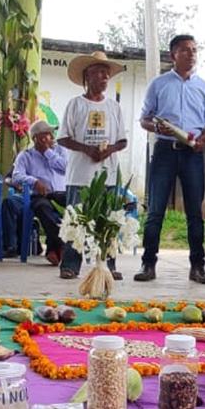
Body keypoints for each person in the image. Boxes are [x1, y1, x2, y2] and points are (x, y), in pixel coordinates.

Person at [136, 34, 205, 284]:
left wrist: (202, 140)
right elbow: (144, 119)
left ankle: (198, 267)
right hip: (164, 151)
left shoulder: (204, 87)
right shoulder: (159, 84)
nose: (191, 54)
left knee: (195, 212)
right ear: (173, 55)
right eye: (185, 50)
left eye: (194, 50)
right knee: (155, 210)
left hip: (192, 154)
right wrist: (156, 128)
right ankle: (148, 264)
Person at [58, 51, 129, 281]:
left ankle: (108, 264)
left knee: (108, 220)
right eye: (99, 72)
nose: (104, 77)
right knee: (75, 220)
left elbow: (122, 140)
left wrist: (108, 150)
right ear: (87, 76)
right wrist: (87, 149)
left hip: (107, 175)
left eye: (106, 74)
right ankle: (70, 265)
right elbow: (63, 138)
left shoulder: (114, 107)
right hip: (80, 174)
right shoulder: (75, 104)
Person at [9, 120, 68, 265]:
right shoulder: (26, 155)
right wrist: (33, 181)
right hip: (41, 196)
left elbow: (66, 168)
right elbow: (16, 176)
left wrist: (48, 152)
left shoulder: (59, 151)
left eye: (50, 134)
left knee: (75, 205)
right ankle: (62, 243)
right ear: (35, 138)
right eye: (46, 135)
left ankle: (53, 249)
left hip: (61, 194)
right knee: (43, 208)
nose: (51, 137)